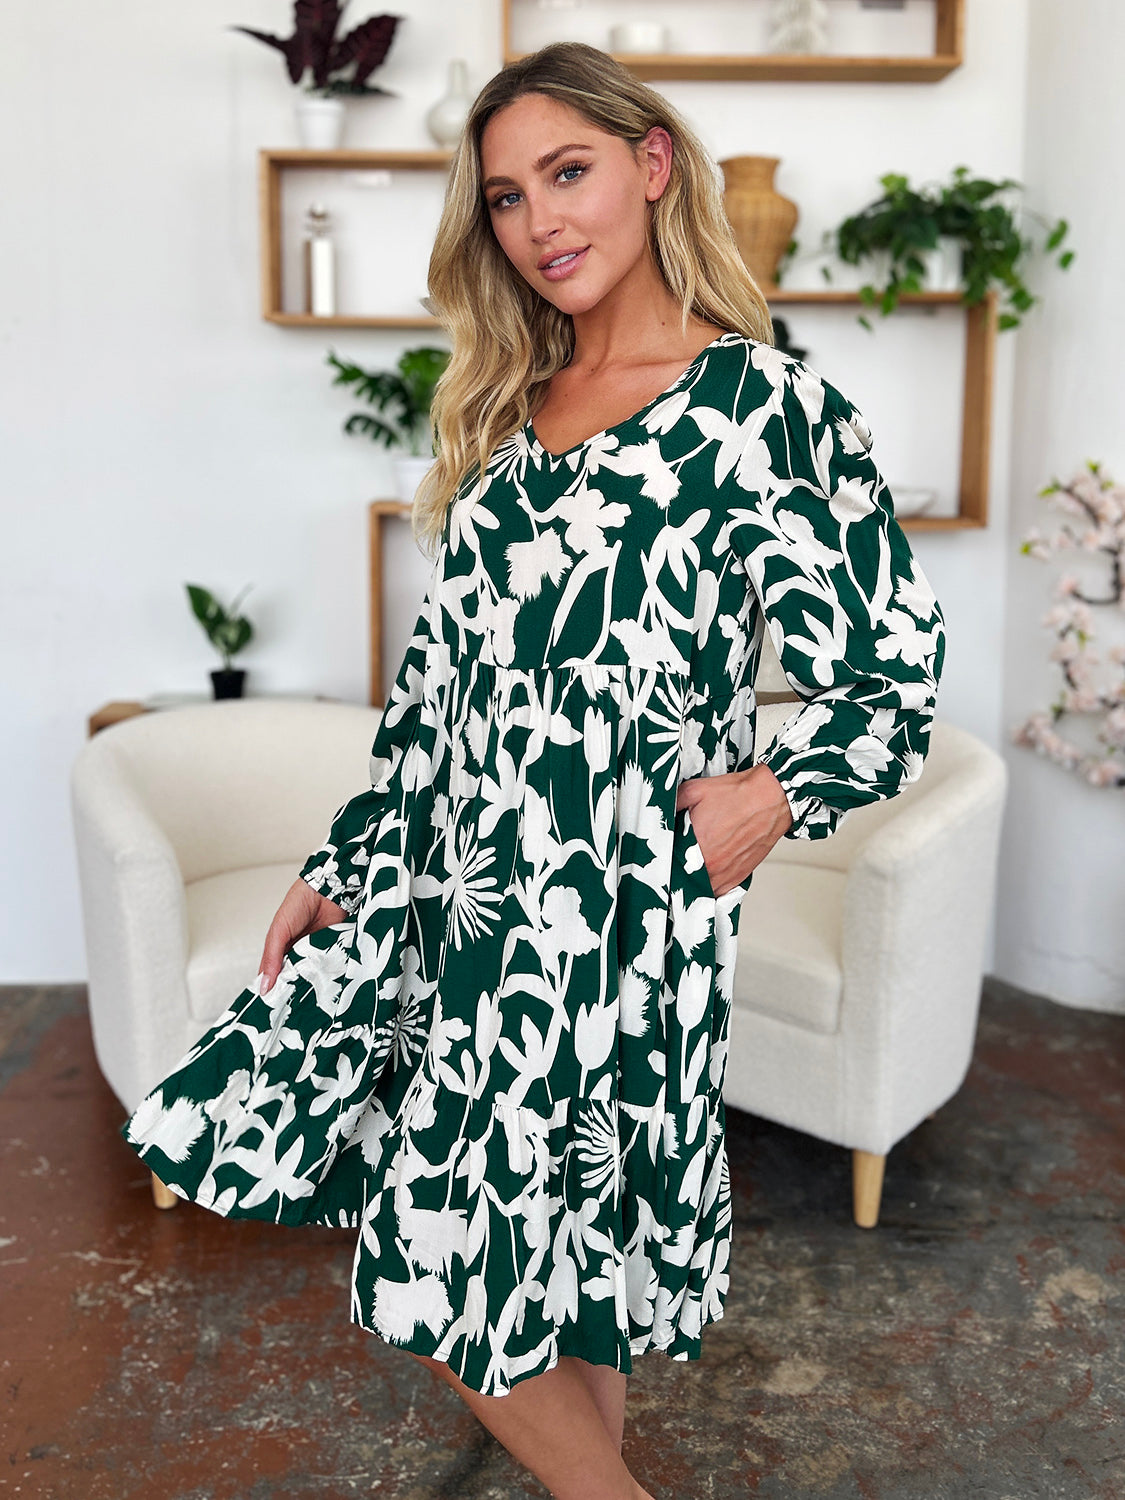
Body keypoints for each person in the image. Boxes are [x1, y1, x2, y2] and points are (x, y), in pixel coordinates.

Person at [120, 40, 947, 1500]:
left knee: (478, 1255)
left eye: (568, 173)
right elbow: (436, 695)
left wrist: (774, 794)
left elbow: (890, 665)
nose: (538, 221)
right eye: (506, 197)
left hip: (622, 913)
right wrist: (344, 865)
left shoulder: (765, 410)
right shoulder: (507, 414)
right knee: (539, 1263)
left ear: (652, 164)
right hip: (456, 896)